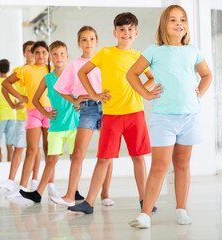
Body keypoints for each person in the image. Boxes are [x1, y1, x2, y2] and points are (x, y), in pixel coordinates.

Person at [127, 5, 212, 228]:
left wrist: (199, 93)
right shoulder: (154, 50)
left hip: (189, 117)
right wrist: (145, 93)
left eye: (182, 20)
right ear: (164, 24)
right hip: (163, 117)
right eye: (173, 20)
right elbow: (132, 74)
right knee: (159, 165)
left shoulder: (193, 50)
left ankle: (181, 210)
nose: (178, 24)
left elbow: (206, 75)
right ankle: (145, 214)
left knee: (182, 163)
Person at [68, 12, 156, 214]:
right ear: (115, 32)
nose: (126, 33)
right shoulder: (106, 53)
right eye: (122, 29)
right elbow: (82, 72)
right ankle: (89, 203)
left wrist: (142, 90)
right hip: (111, 115)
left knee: (138, 157)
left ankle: (145, 200)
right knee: (104, 159)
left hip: (135, 114)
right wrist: (94, 95)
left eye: (130, 29)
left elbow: (151, 78)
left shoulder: (138, 57)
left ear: (136, 33)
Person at [51, 26, 114, 207]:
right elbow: (61, 88)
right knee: (78, 153)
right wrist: (75, 101)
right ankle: (70, 196)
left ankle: (105, 194)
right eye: (84, 40)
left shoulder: (105, 60)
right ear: (79, 43)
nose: (88, 43)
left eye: (92, 39)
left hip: (108, 107)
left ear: (97, 41)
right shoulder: (74, 64)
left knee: (106, 153)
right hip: (87, 108)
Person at [20, 40, 80, 203]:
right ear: (50, 58)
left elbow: (84, 93)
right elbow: (35, 99)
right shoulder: (48, 78)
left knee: (75, 158)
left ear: (67, 56)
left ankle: (74, 191)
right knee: (51, 159)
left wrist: (80, 104)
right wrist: (45, 114)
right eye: (54, 54)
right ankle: (38, 193)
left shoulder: (74, 75)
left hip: (74, 125)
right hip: (56, 126)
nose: (58, 57)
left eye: (61, 54)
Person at [2, 41, 59, 198]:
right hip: (33, 112)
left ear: (48, 54)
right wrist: (20, 97)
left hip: (51, 113)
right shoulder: (25, 70)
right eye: (37, 52)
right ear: (32, 54)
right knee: (31, 150)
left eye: (43, 52)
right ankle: (22, 188)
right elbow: (6, 83)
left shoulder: (54, 70)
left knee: (49, 151)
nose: (41, 55)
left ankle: (51, 185)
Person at [0, 41, 42, 191]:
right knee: (19, 149)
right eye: (29, 51)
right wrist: (16, 101)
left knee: (36, 150)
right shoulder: (22, 71)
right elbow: (5, 88)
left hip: (39, 115)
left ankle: (34, 180)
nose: (32, 54)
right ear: (24, 53)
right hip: (23, 117)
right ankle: (10, 181)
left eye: (34, 51)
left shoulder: (42, 70)